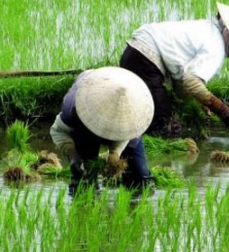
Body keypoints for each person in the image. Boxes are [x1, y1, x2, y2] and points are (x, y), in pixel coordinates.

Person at [119, 2, 229, 137]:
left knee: (134, 110)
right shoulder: (216, 48)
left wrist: (201, 101)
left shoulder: (206, 28)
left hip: (133, 53)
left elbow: (184, 82)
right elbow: (190, 81)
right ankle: (144, 154)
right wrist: (221, 108)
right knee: (164, 126)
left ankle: (128, 143)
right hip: (145, 60)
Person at [50, 66, 155, 197]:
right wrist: (72, 154)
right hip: (86, 132)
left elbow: (128, 134)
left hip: (125, 108)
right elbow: (57, 131)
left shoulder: (133, 108)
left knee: (140, 179)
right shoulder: (74, 108)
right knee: (84, 181)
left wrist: (115, 153)